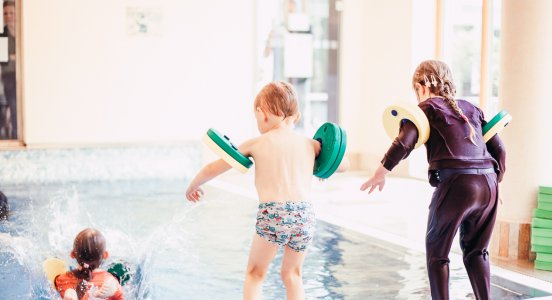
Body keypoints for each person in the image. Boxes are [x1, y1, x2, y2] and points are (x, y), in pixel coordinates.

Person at [186, 80, 347, 300]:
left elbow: (214, 167)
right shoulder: (311, 144)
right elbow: (341, 164)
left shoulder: (256, 143)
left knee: (255, 274)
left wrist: (194, 185)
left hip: (274, 213)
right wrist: (324, 154)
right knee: (293, 274)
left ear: (262, 114)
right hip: (305, 215)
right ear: (296, 117)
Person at [360, 60, 506, 300]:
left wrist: (380, 172)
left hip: (457, 183)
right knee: (477, 252)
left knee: (437, 255)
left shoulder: (424, 109)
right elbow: (499, 151)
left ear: (420, 86)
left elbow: (404, 143)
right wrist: (493, 185)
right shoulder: (472, 108)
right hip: (488, 182)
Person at [54, 228, 124, 300]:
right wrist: (116, 294)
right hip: (103, 293)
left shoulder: (62, 279)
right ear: (105, 255)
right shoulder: (109, 281)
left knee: (68, 292)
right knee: (116, 290)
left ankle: (72, 295)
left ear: (72, 254)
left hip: (69, 293)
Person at [0, 0, 16, 139]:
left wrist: (13, 56)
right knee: (14, 107)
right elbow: (3, 58)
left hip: (24, 76)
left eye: (11, 13)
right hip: (9, 76)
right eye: (5, 13)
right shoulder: (2, 35)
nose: (8, 16)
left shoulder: (23, 32)